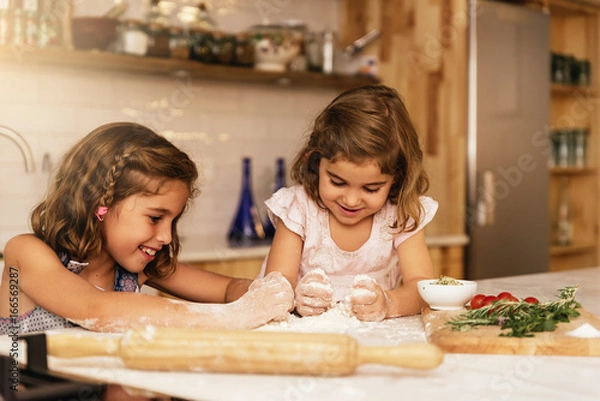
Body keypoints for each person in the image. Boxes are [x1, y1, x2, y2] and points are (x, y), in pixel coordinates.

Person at [0, 122, 293, 335]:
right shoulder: (26, 254)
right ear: (99, 203)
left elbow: (229, 289)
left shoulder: (136, 267)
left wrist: (266, 295)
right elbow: (95, 309)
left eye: (172, 221)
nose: (165, 237)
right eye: (155, 218)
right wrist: (230, 318)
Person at [261, 85, 438, 322]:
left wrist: (389, 304)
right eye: (337, 182)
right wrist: (295, 299)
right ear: (314, 163)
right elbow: (275, 287)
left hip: (372, 340)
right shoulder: (299, 208)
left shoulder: (400, 214)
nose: (351, 200)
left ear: (397, 178)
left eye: (371, 188)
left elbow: (423, 287)